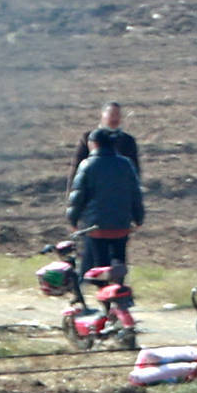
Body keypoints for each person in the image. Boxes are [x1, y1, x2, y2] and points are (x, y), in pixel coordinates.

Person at [65, 126, 143, 279]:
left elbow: (77, 196)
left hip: (96, 226)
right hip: (122, 224)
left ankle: (104, 297)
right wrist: (138, 218)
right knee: (119, 261)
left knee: (100, 264)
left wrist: (72, 220)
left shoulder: (87, 165)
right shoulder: (126, 164)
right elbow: (135, 193)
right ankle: (119, 290)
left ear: (94, 144)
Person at [70, 102, 140, 177]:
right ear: (102, 116)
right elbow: (76, 167)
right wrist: (72, 188)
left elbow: (135, 170)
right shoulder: (88, 138)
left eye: (118, 115)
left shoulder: (128, 141)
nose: (115, 118)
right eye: (112, 115)